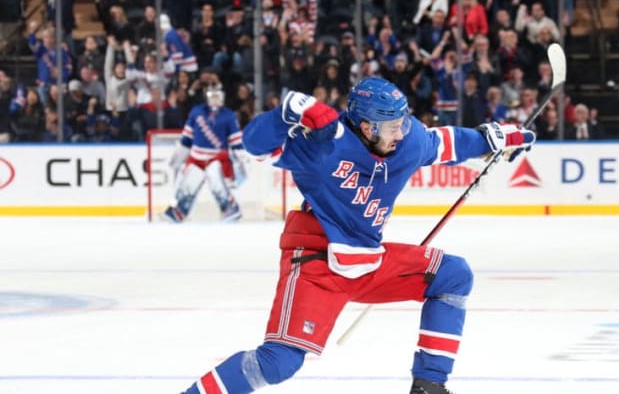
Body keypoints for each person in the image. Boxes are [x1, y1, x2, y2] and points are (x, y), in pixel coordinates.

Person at [179, 77, 535, 394]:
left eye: (402, 122)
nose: (401, 132)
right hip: (316, 260)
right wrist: (287, 111)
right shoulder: (324, 144)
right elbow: (255, 148)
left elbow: (448, 143)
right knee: (279, 363)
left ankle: (429, 386)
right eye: (392, 126)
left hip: (367, 259)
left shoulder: (406, 140)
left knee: (454, 276)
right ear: (366, 126)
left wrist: (495, 137)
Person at [163, 87, 244, 223]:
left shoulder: (229, 115)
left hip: (217, 157)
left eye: (218, 96)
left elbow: (236, 142)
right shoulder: (196, 112)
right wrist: (178, 157)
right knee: (189, 182)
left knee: (216, 179)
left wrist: (241, 161)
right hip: (196, 157)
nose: (215, 100)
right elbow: (187, 139)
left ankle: (230, 207)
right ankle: (180, 210)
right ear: (207, 97)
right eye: (213, 96)